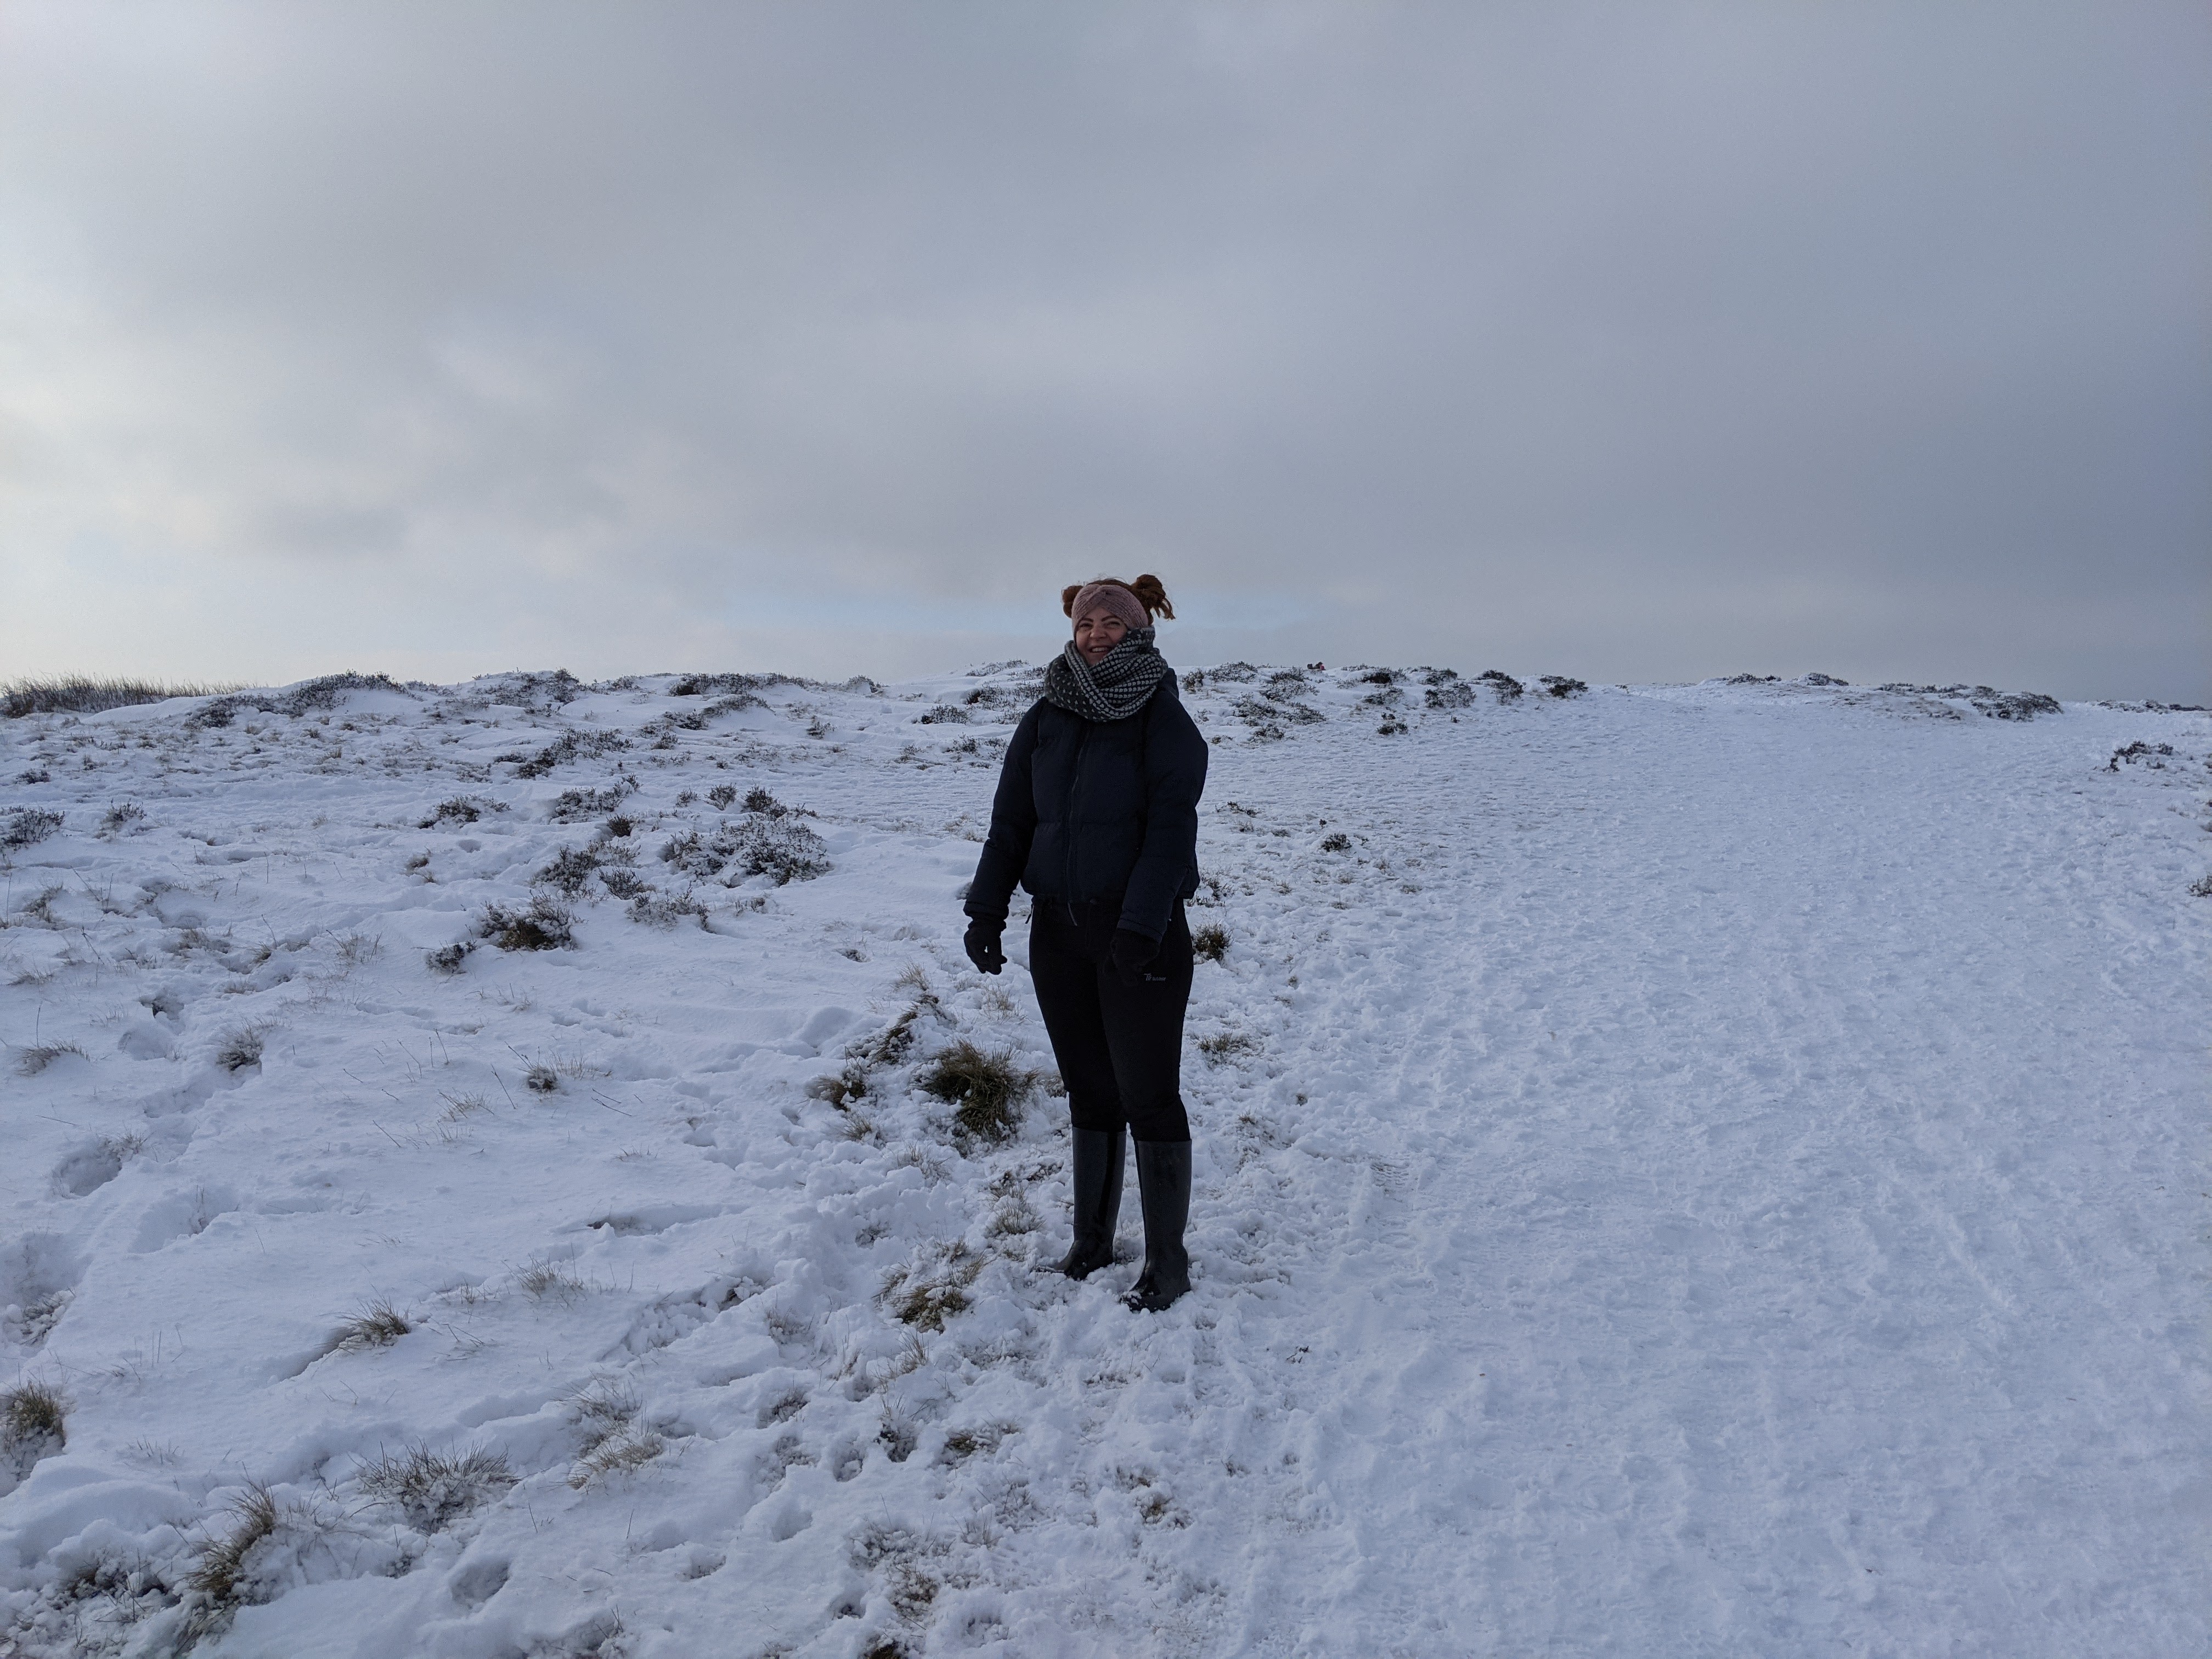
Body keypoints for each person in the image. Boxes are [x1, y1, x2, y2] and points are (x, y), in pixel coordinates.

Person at [961, 575, 1209, 1312]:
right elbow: (1011, 825)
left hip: (1141, 935)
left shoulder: (1164, 721)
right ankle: (1091, 1243)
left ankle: (1168, 1263)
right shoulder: (1045, 718)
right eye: (1087, 622)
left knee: (1149, 1095)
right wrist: (987, 912)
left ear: (1139, 632)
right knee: (1091, 1091)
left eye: (1113, 622)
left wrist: (1139, 927)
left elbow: (1170, 836)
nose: (1097, 632)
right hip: (1059, 933)